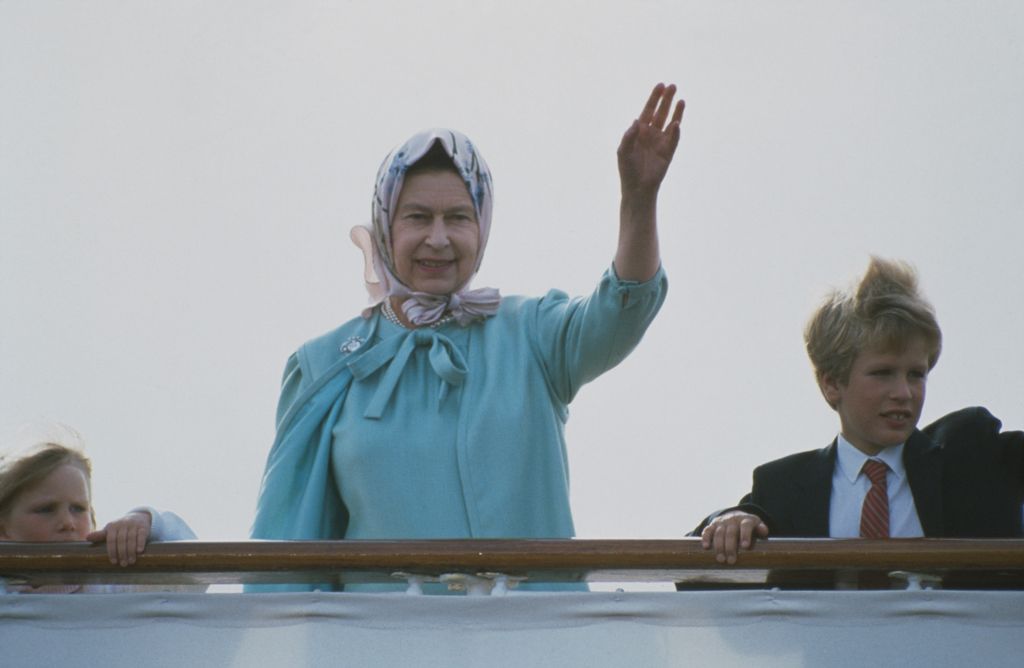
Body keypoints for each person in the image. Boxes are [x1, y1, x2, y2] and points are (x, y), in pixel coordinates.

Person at [251, 83, 684, 591]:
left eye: (458, 218)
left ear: (482, 228)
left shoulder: (532, 332)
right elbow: (285, 546)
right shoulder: (324, 364)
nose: (438, 239)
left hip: (531, 631)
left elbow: (621, 311)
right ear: (386, 227)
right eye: (417, 217)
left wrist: (639, 200)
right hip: (382, 634)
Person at [696, 257, 1024, 564]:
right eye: (883, 373)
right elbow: (695, 570)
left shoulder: (972, 451)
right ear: (832, 384)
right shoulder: (783, 485)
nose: (904, 393)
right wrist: (728, 520)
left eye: (916, 374)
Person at [0, 438, 199, 594]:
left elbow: (193, 579)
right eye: (46, 509)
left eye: (78, 509)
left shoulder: (111, 587)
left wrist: (146, 522)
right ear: (3, 530)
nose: (68, 523)